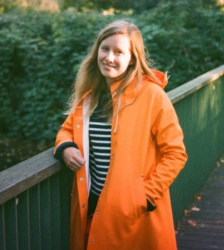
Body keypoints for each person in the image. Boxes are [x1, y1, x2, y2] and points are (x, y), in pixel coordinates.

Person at [54, 19, 188, 249]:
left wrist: (144, 197)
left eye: (119, 52)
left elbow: (176, 154)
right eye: (104, 49)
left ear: (132, 58)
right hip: (92, 207)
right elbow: (66, 130)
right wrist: (66, 148)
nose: (109, 57)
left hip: (134, 216)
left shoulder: (152, 95)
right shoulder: (90, 97)